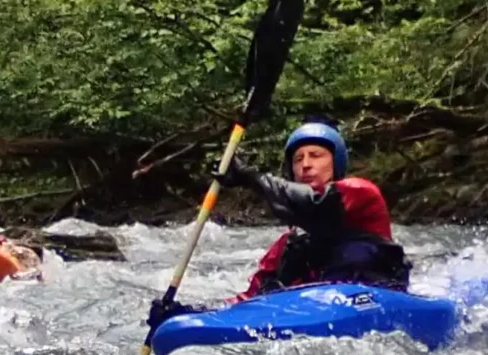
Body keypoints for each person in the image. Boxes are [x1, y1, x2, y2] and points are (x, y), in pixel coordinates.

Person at [147, 119, 410, 327]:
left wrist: (251, 177)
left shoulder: (361, 192)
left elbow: (314, 205)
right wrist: (185, 313)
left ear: (335, 162)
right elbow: (247, 301)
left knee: (355, 252)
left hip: (376, 302)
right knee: (281, 276)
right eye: (298, 159)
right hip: (315, 314)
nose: (306, 165)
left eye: (316, 155)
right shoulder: (288, 244)